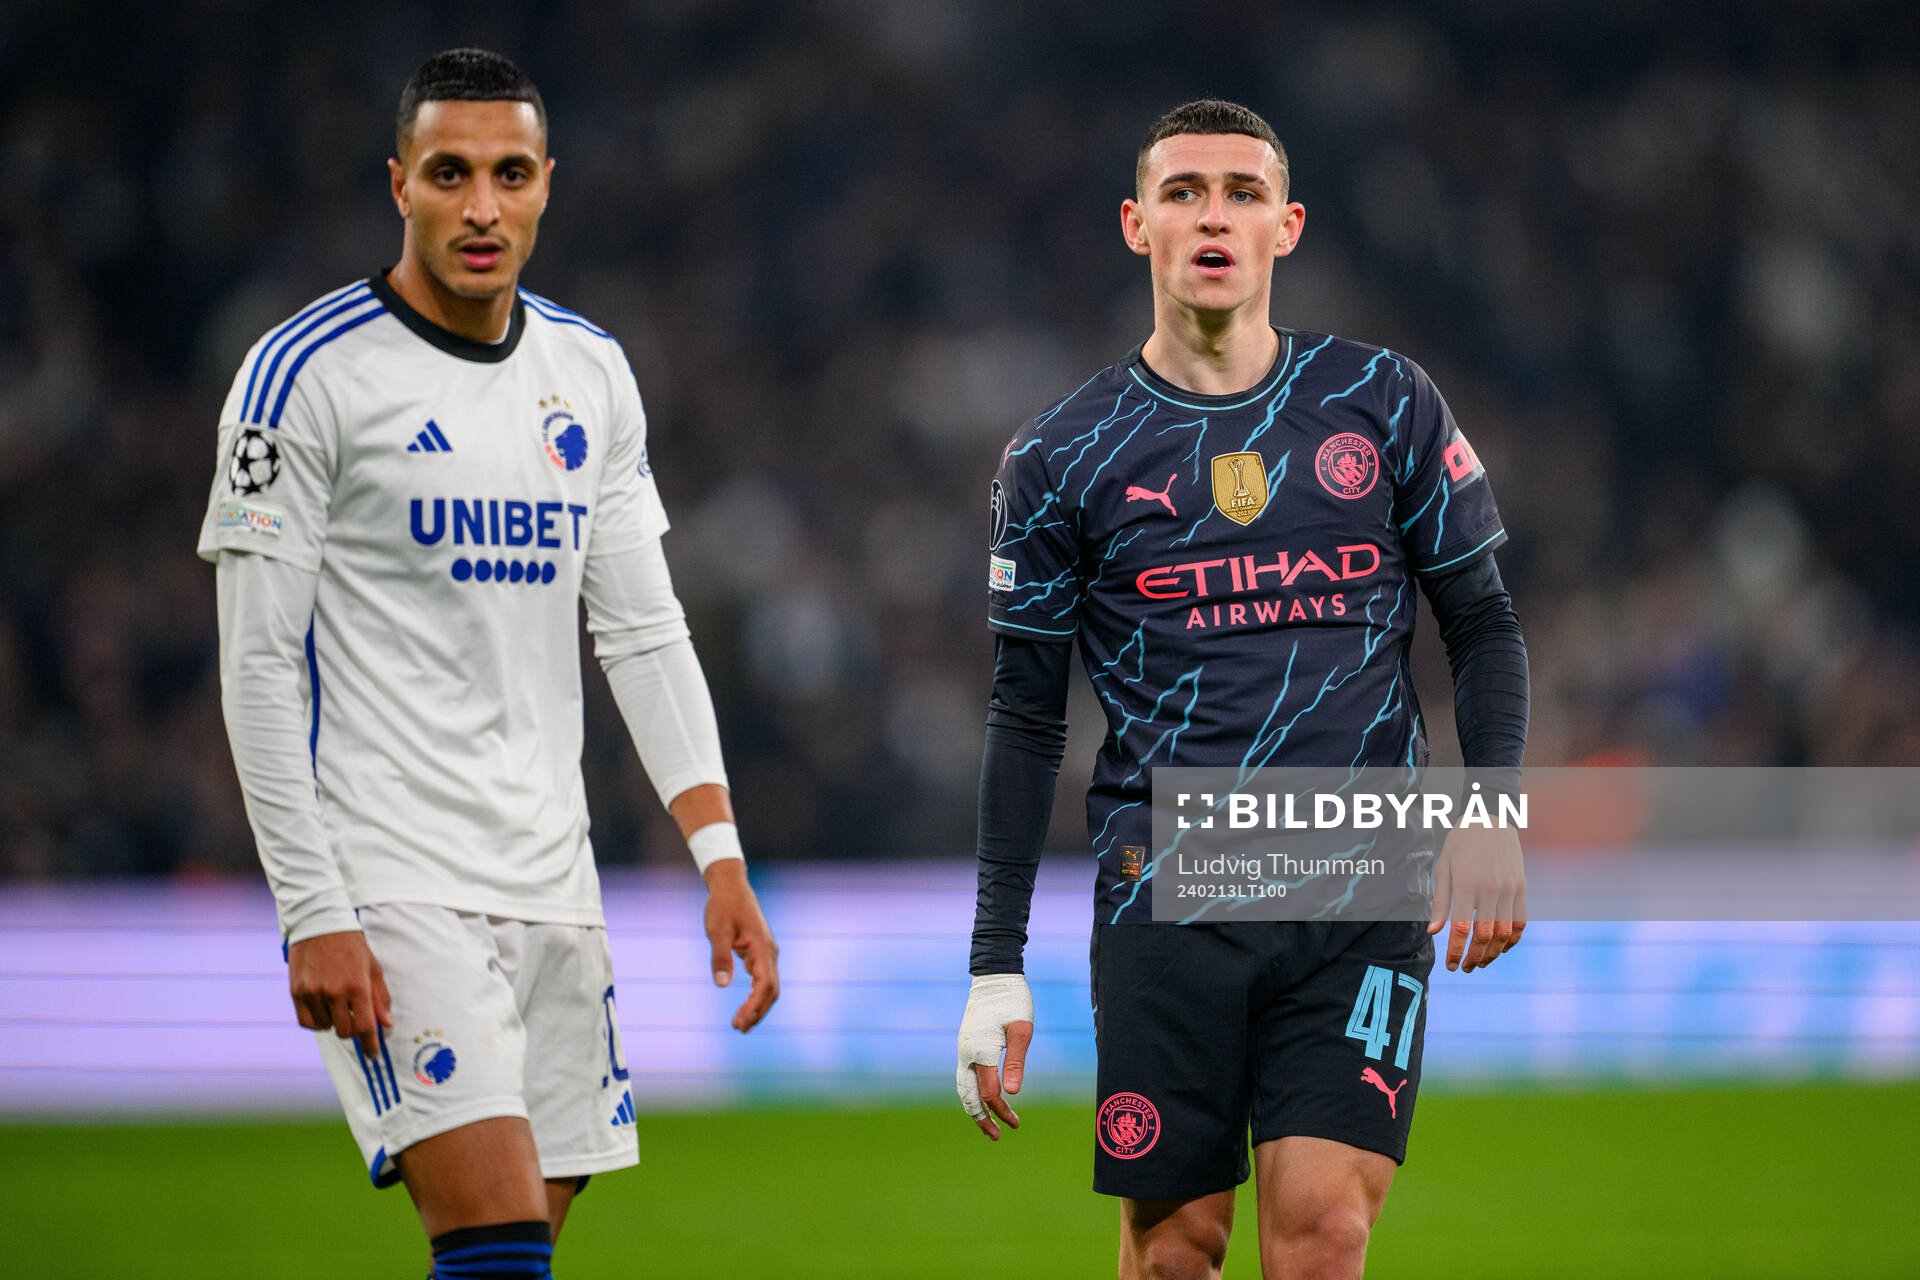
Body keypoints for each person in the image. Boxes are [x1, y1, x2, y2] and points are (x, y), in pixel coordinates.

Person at [200, 48, 778, 1280]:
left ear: (547, 184)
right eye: (449, 173)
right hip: (392, 874)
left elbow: (643, 628)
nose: (481, 207)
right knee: (499, 1245)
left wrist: (720, 854)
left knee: (511, 1256)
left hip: (555, 879)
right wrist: (315, 911)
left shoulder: (589, 371)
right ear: (398, 184)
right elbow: (256, 663)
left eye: (509, 174)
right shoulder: (301, 375)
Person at [956, 99, 1529, 1279]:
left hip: (1358, 874)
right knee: (1176, 1252)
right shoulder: (1061, 454)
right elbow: (1023, 712)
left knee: (1324, 1232)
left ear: (1286, 225)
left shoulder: (1384, 400)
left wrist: (1491, 810)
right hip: (1171, 886)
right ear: (1137, 225)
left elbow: (1482, 622)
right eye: (1183, 192)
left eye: (1241, 193)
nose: (1212, 216)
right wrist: (995, 960)